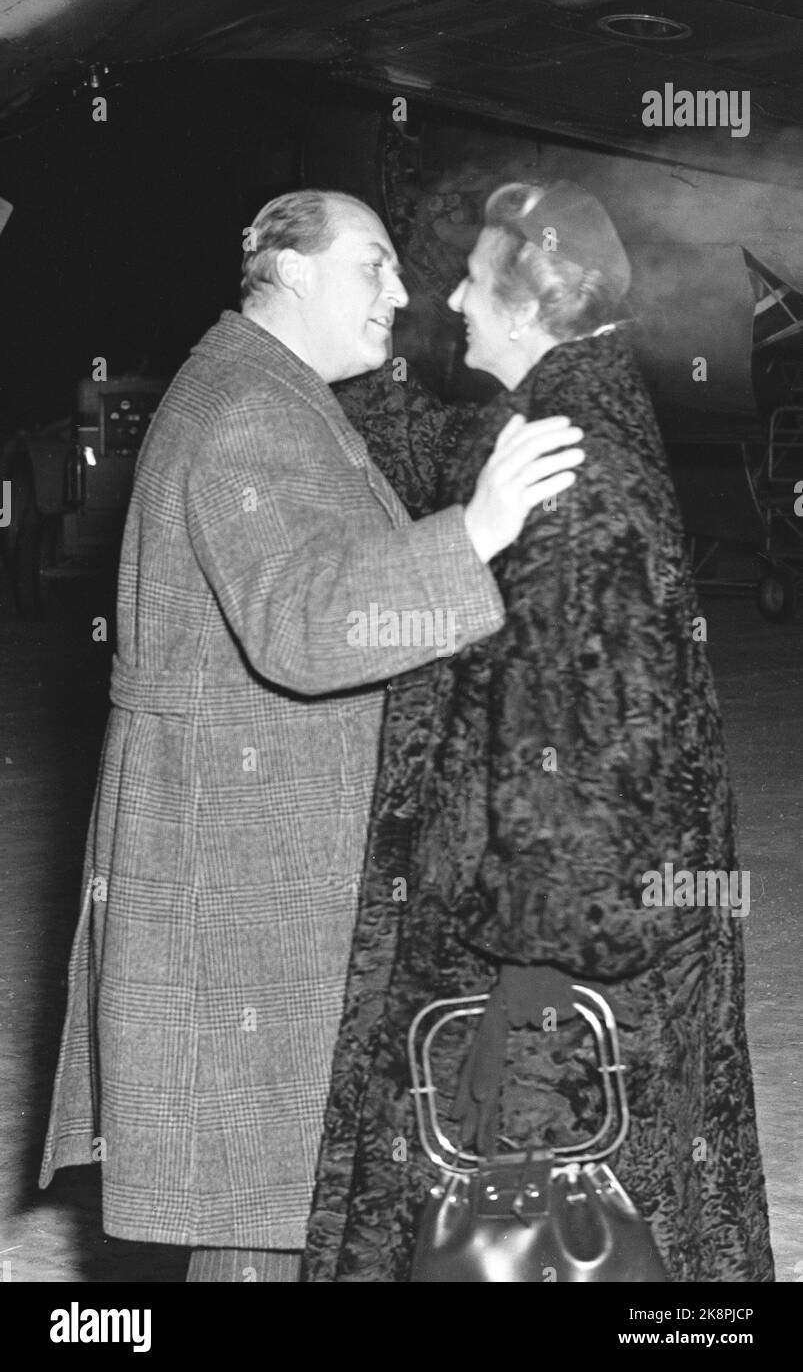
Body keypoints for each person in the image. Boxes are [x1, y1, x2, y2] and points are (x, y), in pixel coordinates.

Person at [37, 189, 585, 1283]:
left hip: (254, 853)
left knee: (280, 1195)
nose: (399, 291)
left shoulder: (266, 390)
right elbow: (301, 623)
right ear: (286, 269)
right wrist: (472, 530)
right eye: (371, 266)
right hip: (248, 877)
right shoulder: (246, 408)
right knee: (262, 1204)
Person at [302, 181, 775, 1283]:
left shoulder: (565, 472)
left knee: (550, 1225)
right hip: (579, 947)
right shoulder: (572, 422)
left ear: (524, 303)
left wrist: (533, 1003)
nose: (451, 296)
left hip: (546, 963)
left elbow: (588, 761)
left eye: (473, 277)